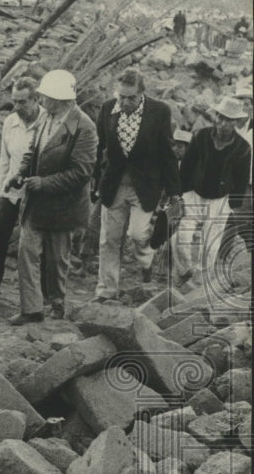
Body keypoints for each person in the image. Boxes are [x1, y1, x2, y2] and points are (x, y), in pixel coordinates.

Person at [7, 69, 98, 324]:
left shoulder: (84, 127)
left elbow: (82, 172)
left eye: (45, 96)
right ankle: (32, 309)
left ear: (60, 98)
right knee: (27, 251)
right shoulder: (46, 117)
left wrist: (44, 183)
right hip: (36, 203)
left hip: (63, 207)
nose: (41, 100)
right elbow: (32, 151)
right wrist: (21, 173)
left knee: (57, 260)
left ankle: (57, 304)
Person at [93, 68, 183, 301]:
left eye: (131, 97)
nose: (125, 101)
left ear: (141, 94)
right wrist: (95, 182)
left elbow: (167, 153)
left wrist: (174, 193)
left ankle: (146, 261)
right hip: (114, 185)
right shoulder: (106, 109)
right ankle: (106, 291)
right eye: (121, 96)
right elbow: (99, 147)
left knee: (138, 234)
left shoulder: (159, 111)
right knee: (109, 239)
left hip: (145, 185)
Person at [177, 97, 253, 291]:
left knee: (209, 247)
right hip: (195, 193)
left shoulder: (243, 148)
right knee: (180, 238)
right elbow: (187, 165)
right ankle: (184, 273)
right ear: (216, 116)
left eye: (229, 120)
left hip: (220, 199)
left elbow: (242, 179)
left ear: (236, 122)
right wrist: (181, 192)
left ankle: (200, 284)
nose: (223, 123)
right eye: (220, 117)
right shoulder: (201, 136)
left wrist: (232, 205)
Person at [0, 77, 41, 306]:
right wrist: (0, 187)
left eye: (23, 102)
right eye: (14, 101)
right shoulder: (11, 122)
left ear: (36, 99)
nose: (17, 107)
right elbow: (4, 158)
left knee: (30, 246)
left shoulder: (46, 122)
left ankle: (34, 299)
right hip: (10, 190)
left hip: (35, 193)